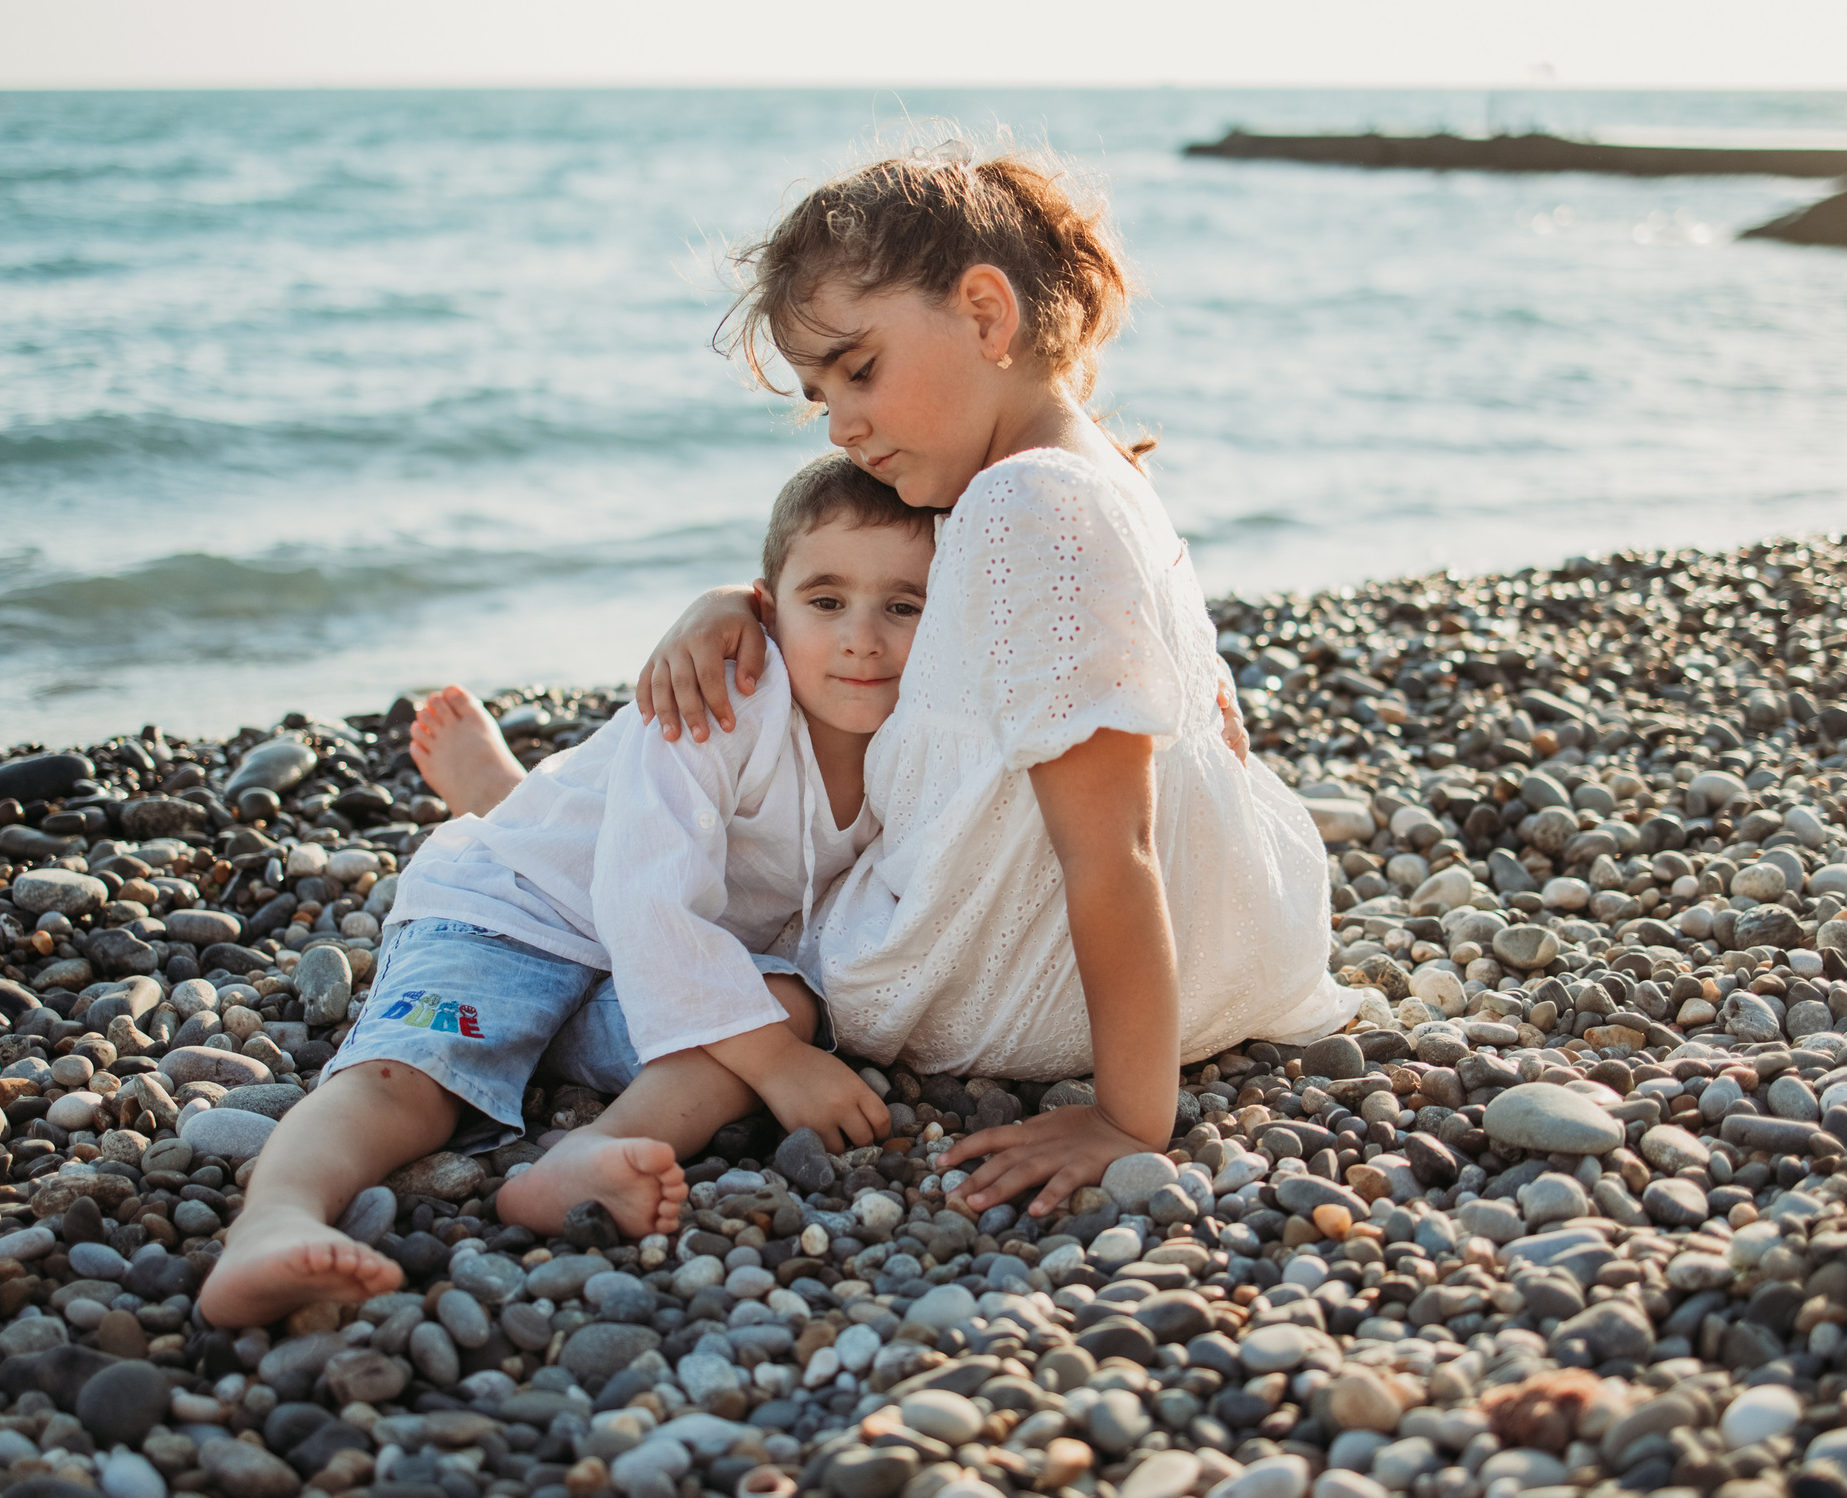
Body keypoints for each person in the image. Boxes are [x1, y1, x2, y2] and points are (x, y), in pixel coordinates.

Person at [635, 145, 1355, 1224]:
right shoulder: (1094, 474)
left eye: (860, 369)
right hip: (1240, 945)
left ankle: (525, 840)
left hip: (1008, 991)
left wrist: (1127, 1122)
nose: (838, 424)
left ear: (984, 314)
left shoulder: (1026, 514)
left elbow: (1111, 850)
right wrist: (731, 606)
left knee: (697, 897)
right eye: (819, 394)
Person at [195, 454, 927, 1328]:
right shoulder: (722, 697)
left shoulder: (916, 745)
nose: (862, 638)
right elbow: (645, 893)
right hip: (517, 910)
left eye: (904, 606)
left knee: (781, 1002)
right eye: (827, 601)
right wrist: (775, 1066)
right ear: (766, 612)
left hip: (641, 966)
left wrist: (782, 1039)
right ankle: (274, 1220)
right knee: (407, 1082)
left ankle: (590, 1152)